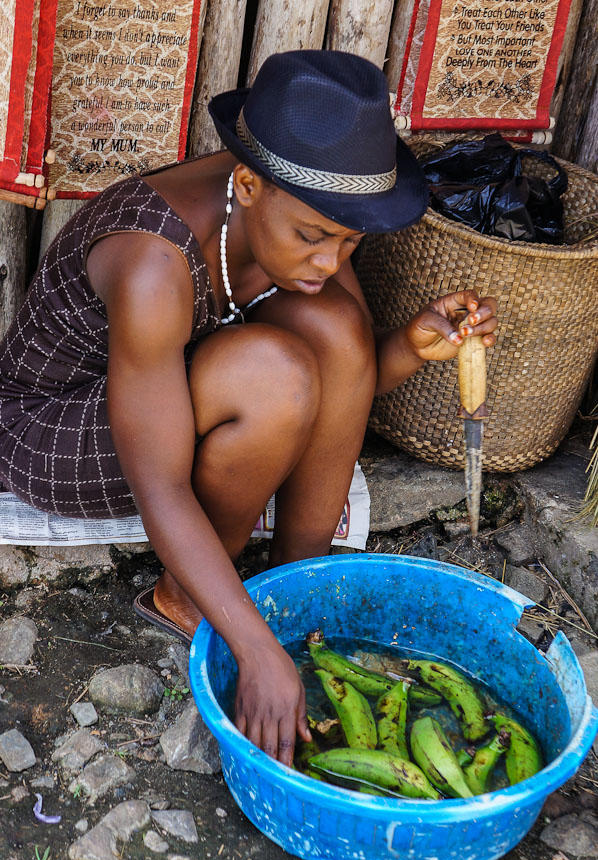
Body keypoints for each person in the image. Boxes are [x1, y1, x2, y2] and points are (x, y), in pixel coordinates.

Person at [0, 50, 497, 766]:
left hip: (163, 398)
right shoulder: (153, 262)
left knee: (336, 329)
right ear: (247, 185)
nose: (329, 261)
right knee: (274, 375)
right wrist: (255, 652)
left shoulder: (292, 203)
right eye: (313, 237)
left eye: (348, 240)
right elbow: (161, 484)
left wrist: (413, 348)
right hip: (49, 428)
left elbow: (347, 377)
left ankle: (304, 590)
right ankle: (188, 600)